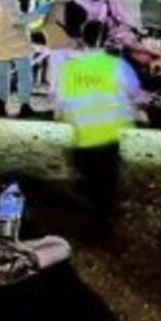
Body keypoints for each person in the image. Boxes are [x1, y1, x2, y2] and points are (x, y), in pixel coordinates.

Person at [55, 22, 141, 234]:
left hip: (83, 138)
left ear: (82, 39)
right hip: (109, 137)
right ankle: (102, 223)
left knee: (88, 182)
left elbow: (59, 106)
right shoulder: (116, 66)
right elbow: (136, 94)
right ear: (105, 40)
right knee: (106, 185)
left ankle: (90, 219)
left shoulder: (70, 69)